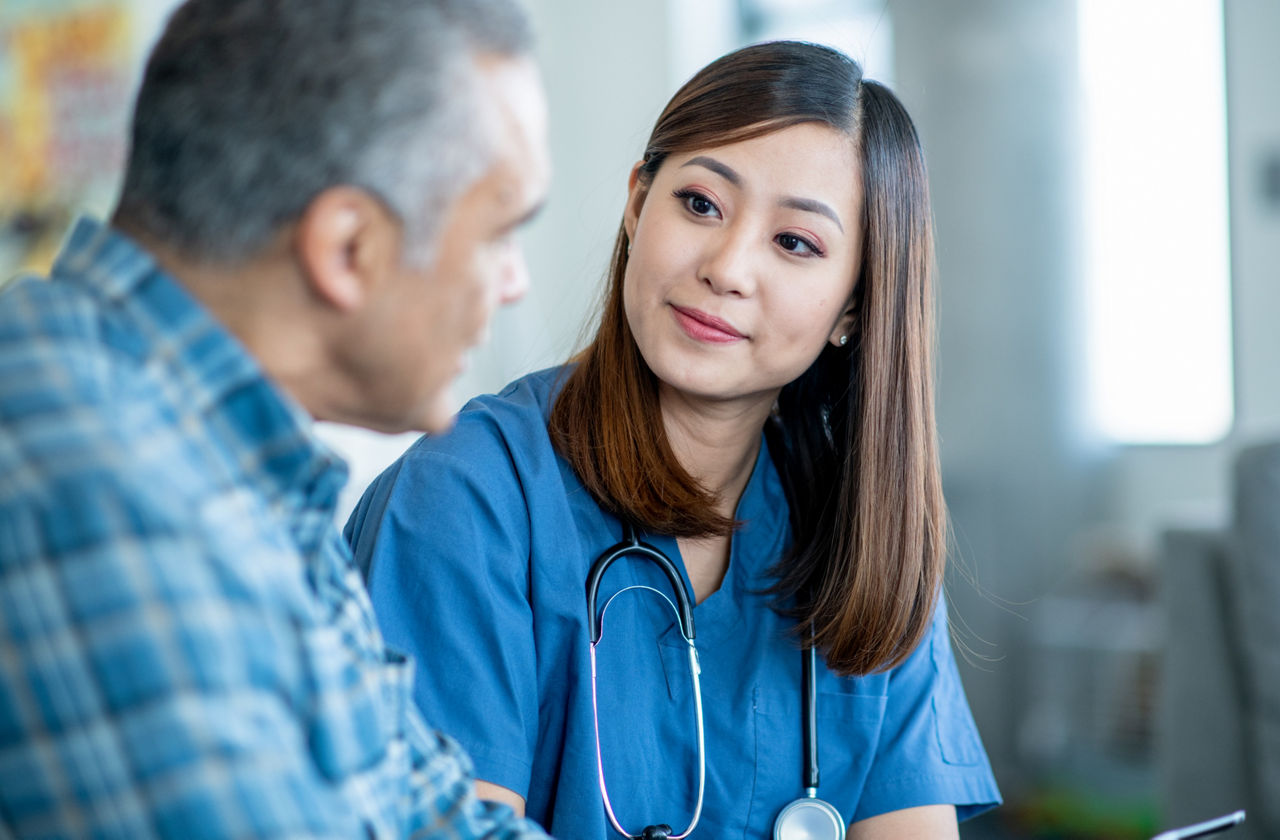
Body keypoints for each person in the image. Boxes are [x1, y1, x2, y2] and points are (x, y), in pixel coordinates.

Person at [346, 40, 1001, 839]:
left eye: (796, 243)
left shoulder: (865, 539)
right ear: (636, 204)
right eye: (700, 204)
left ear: (853, 311)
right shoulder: (466, 498)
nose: (726, 267)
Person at [0, 0, 553, 837]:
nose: (513, 283)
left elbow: (441, 817)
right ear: (347, 250)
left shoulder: (244, 470)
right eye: (498, 235)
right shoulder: (90, 482)